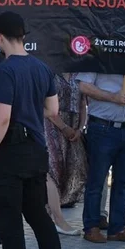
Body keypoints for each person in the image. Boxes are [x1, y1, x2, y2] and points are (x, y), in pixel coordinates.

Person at [0, 11, 69, 249]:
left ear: (0, 37)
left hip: (9, 154)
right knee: (38, 216)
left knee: (9, 221)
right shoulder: (42, 67)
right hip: (36, 153)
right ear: (23, 36)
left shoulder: (5, 71)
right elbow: (53, 111)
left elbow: (1, 119)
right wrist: (29, 112)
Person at [77, 72, 125, 242]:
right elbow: (83, 85)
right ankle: (91, 227)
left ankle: (117, 228)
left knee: (123, 182)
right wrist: (113, 97)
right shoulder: (100, 54)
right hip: (102, 127)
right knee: (96, 181)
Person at [45, 72, 87, 236]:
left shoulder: (79, 75)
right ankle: (58, 219)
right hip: (52, 125)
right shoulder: (50, 74)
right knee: (52, 170)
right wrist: (63, 127)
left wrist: (80, 128)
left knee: (73, 169)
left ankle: (48, 215)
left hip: (74, 127)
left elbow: (83, 103)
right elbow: (46, 106)